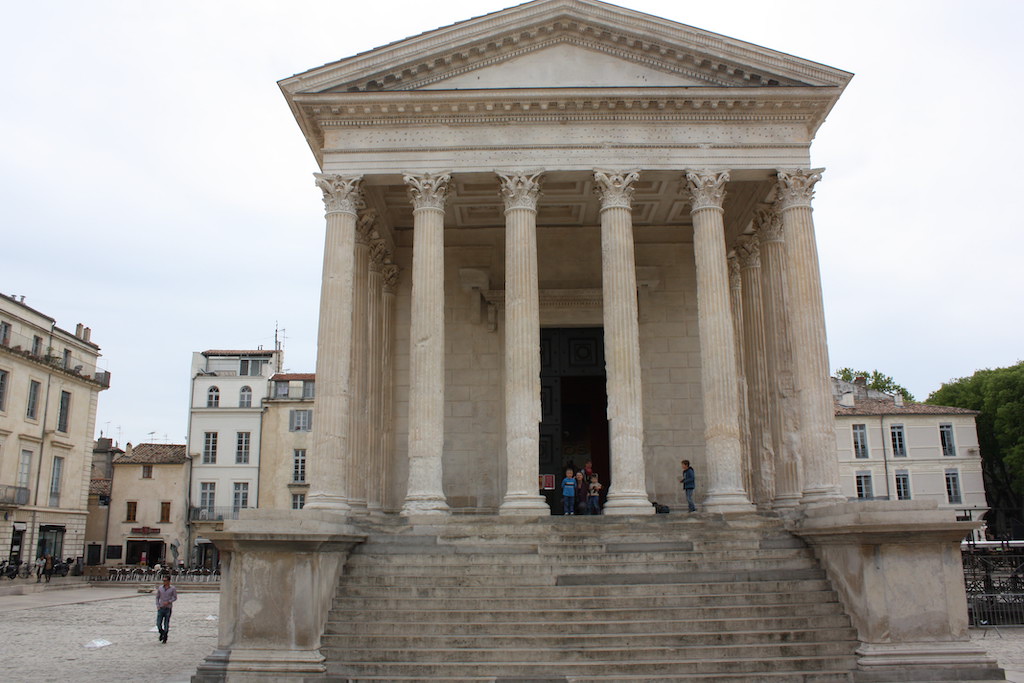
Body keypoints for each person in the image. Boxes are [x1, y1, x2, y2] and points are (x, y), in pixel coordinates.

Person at [155, 573, 178, 643]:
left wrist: (169, 601)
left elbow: (175, 597)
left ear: (169, 581)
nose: (164, 582)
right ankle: (161, 632)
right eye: (163, 581)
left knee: (166, 623)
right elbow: (157, 597)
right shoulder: (160, 588)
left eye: (165, 580)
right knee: (158, 623)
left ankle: (165, 636)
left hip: (168, 608)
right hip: (161, 607)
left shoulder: (172, 588)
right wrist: (158, 605)